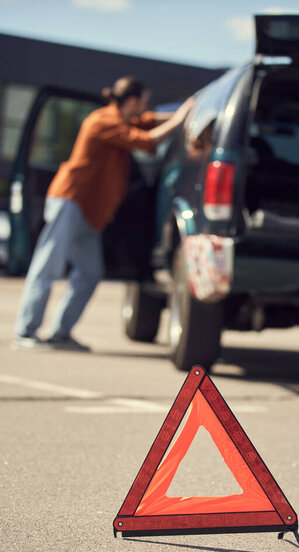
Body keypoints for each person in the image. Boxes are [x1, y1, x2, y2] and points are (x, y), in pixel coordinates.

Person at [13, 76, 194, 351]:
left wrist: (188, 111)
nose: (146, 107)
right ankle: (25, 333)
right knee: (48, 267)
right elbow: (147, 140)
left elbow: (150, 120)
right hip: (71, 202)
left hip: (91, 212)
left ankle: (61, 333)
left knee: (90, 272)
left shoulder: (124, 120)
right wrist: (181, 117)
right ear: (132, 101)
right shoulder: (102, 121)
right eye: (143, 101)